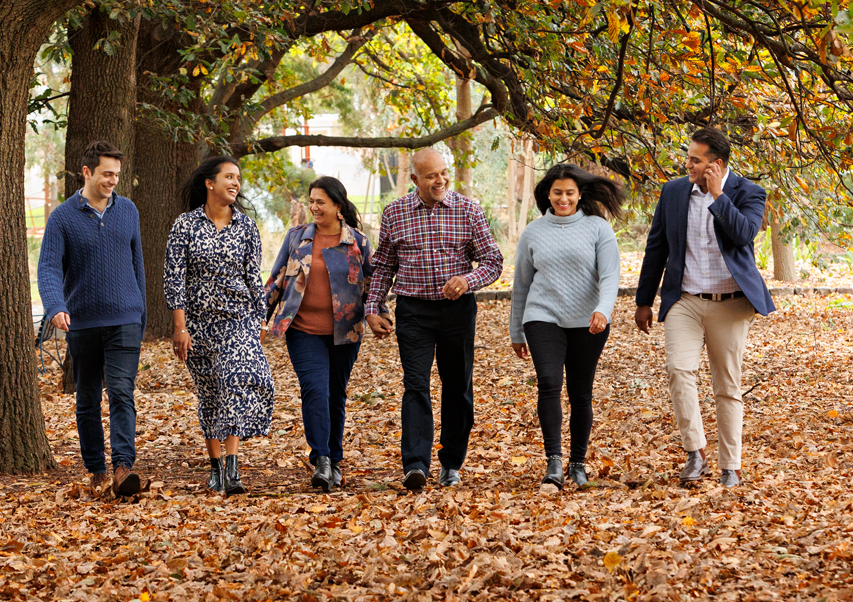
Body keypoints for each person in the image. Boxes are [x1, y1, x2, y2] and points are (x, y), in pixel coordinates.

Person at [634, 127, 775, 488]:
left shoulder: (749, 192)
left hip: (730, 303)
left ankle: (731, 465)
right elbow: (657, 248)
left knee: (727, 386)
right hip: (686, 300)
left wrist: (717, 196)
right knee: (679, 370)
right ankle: (695, 452)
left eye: (695, 160)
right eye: (688, 157)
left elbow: (743, 235)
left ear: (717, 164)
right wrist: (644, 301)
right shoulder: (674, 191)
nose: (688, 164)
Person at [365, 147, 503, 490]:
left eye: (443, 172)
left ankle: (451, 463)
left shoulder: (467, 210)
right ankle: (415, 464)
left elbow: (493, 261)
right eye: (431, 175)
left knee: (457, 388)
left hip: (457, 312)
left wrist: (467, 280)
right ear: (415, 180)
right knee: (415, 385)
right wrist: (373, 308)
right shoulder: (395, 214)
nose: (440, 180)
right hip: (413, 311)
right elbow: (384, 266)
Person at [38, 140, 146, 497]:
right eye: (106, 174)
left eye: (117, 174)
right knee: (86, 397)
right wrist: (55, 306)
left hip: (125, 320)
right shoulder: (62, 217)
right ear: (87, 172)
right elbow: (49, 267)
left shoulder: (128, 210)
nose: (113, 180)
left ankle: (122, 468)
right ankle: (97, 470)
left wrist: (140, 312)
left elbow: (137, 266)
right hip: (81, 322)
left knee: (120, 391)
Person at [163, 156, 274, 496]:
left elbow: (254, 278)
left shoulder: (246, 226)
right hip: (197, 322)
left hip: (238, 318)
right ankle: (216, 469)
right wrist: (180, 327)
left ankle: (234, 465)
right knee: (210, 393)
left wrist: (261, 317)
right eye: (229, 176)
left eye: (238, 177)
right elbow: (174, 278)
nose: (236, 182)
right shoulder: (185, 226)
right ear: (210, 183)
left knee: (237, 379)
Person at [510, 163, 624, 489]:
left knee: (580, 393)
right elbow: (521, 284)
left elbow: (610, 275)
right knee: (548, 382)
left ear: (579, 194)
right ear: (548, 193)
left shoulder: (598, 228)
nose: (563, 198)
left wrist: (604, 310)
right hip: (542, 315)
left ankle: (577, 463)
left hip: (589, 321)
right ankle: (554, 463)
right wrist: (516, 330)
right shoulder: (533, 232)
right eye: (557, 192)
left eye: (569, 193)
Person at [264, 176, 381, 491]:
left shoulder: (358, 242)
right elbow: (276, 281)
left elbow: (373, 285)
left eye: (320, 202)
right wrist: (258, 318)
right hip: (302, 330)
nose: (314, 207)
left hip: (346, 331)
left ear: (338, 207)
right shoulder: (296, 238)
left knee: (335, 394)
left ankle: (335, 460)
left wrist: (376, 314)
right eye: (311, 201)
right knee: (315, 390)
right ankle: (322, 460)